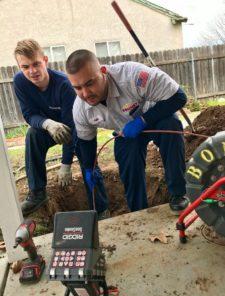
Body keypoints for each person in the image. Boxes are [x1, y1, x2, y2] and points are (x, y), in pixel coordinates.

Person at [66, 49, 189, 215]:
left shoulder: (133, 76)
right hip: (125, 132)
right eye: (77, 88)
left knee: (172, 126)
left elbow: (179, 97)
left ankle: (178, 193)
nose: (85, 93)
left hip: (154, 116)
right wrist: (89, 168)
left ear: (103, 72)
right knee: (127, 159)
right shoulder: (80, 109)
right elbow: (87, 141)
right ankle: (138, 211)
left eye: (89, 83)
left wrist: (143, 121)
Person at [13, 40, 109, 219]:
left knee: (89, 163)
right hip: (48, 128)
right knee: (32, 135)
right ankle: (38, 193)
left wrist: (66, 164)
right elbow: (29, 113)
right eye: (25, 67)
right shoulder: (20, 82)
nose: (32, 71)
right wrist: (47, 124)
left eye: (36, 64)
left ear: (45, 60)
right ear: (19, 67)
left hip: (76, 129)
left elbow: (73, 128)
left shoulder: (64, 84)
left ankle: (100, 208)